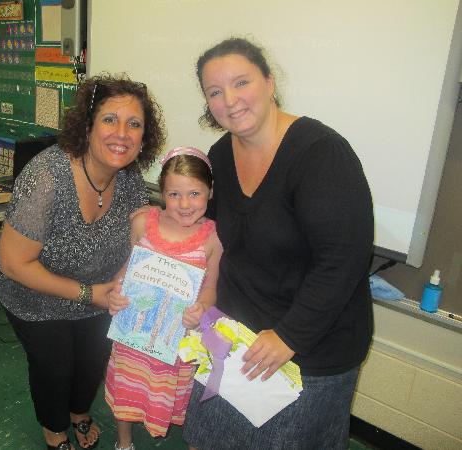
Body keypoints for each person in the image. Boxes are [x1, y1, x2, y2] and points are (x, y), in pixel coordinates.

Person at [182, 38, 375, 450]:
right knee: (206, 441)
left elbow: (343, 260)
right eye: (215, 92)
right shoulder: (220, 155)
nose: (229, 100)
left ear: (269, 82)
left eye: (241, 82)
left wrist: (289, 336)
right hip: (237, 338)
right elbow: (210, 233)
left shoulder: (321, 153)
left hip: (310, 349)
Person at [0, 74, 166, 450]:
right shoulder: (47, 177)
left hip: (99, 288)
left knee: (92, 360)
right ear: (87, 126)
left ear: (144, 137)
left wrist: (123, 280)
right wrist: (90, 294)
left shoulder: (130, 178)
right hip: (34, 290)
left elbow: (139, 241)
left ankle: (78, 412)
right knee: (55, 365)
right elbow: (13, 264)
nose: (122, 133)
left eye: (134, 124)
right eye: (109, 119)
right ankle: (55, 429)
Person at [105, 147, 223, 450]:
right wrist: (117, 290)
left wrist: (202, 308)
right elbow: (126, 270)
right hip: (132, 337)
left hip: (175, 340)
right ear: (162, 192)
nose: (184, 204)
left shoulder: (213, 238)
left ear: (210, 191)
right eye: (174, 194)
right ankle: (124, 442)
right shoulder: (143, 223)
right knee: (126, 390)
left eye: (194, 194)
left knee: (173, 395)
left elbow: (210, 288)